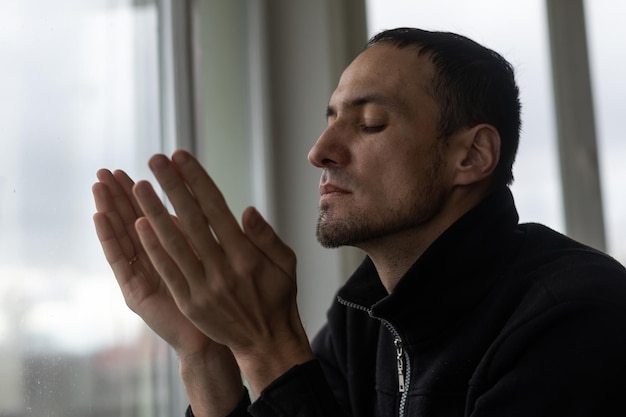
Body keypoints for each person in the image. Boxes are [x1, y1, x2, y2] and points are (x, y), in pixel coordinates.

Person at [92, 27, 626, 416]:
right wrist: (204, 351)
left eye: (370, 124)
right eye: (330, 121)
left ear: (471, 156)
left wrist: (267, 346)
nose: (320, 151)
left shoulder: (576, 318)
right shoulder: (365, 314)